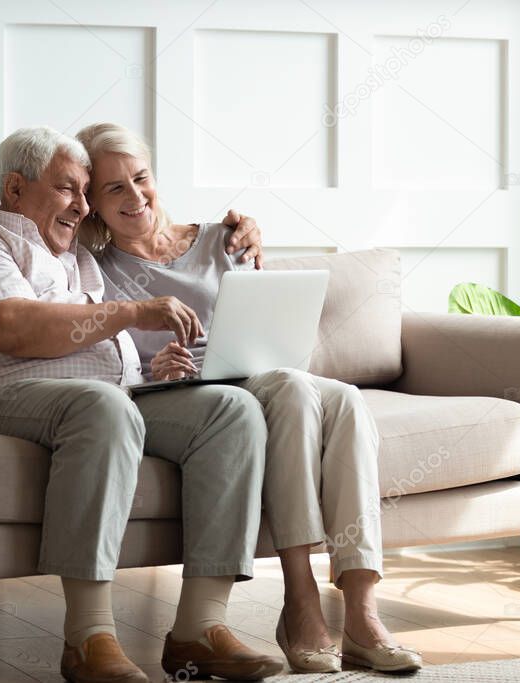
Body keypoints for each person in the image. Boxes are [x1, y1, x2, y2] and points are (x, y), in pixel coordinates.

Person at [0, 125, 285, 682]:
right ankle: (89, 639)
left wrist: (153, 370)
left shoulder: (80, 260)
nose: (83, 206)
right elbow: (12, 327)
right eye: (68, 189)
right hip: (2, 398)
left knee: (231, 410)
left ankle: (198, 631)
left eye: (87, 192)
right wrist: (132, 313)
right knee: (102, 407)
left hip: (110, 397)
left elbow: (149, 232)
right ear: (15, 189)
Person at [75, 122, 423, 674]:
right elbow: (109, 358)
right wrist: (152, 367)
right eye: (113, 188)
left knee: (348, 402)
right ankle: (300, 597)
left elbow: (263, 318)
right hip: (191, 397)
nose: (135, 197)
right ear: (91, 201)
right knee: (290, 390)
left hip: (258, 375)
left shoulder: (223, 237)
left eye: (141, 178)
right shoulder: (93, 268)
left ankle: (361, 611)